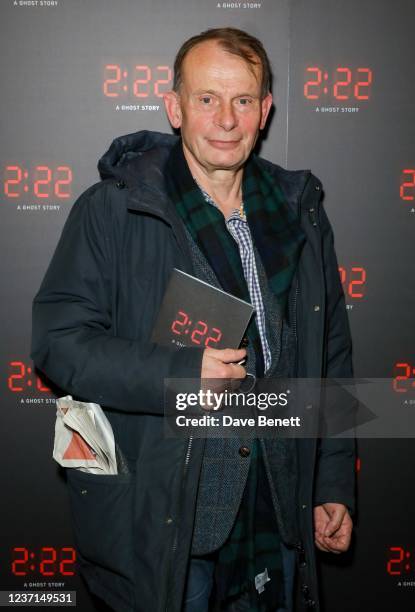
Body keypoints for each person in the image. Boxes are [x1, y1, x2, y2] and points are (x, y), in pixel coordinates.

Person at [31, 27, 355, 612]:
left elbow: (330, 357)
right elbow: (60, 344)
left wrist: (330, 483)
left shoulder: (301, 214)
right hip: (168, 523)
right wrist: (179, 373)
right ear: (175, 108)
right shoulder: (114, 209)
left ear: (266, 110)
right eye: (207, 99)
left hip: (277, 508)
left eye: (243, 100)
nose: (226, 119)